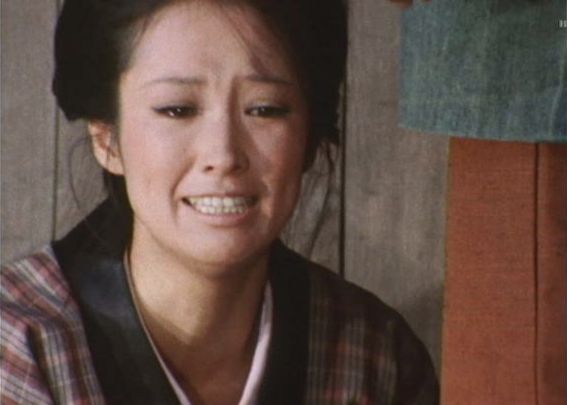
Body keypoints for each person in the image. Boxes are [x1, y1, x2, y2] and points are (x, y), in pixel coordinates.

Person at [1, 0, 439, 403]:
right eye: (177, 109)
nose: (224, 154)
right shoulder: (17, 349)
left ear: (308, 137)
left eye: (265, 109)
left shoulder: (375, 357)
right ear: (106, 138)